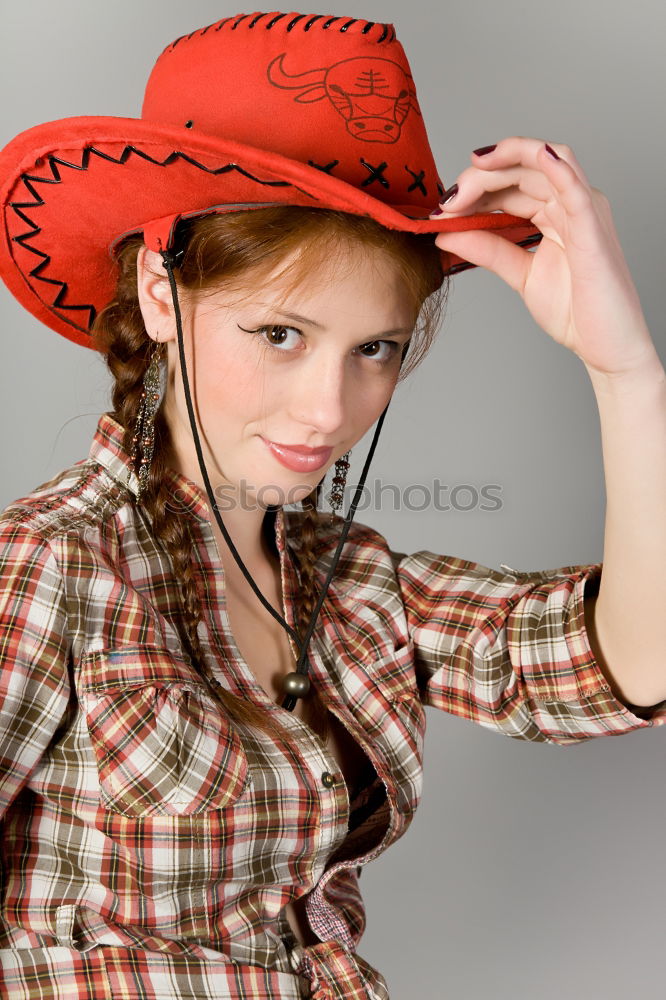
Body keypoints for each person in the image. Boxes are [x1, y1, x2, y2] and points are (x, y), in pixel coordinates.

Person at [0, 10, 664, 1000]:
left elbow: (619, 669)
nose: (328, 407)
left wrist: (626, 372)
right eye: (279, 333)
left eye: (375, 349)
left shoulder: (351, 586)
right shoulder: (49, 566)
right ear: (155, 290)